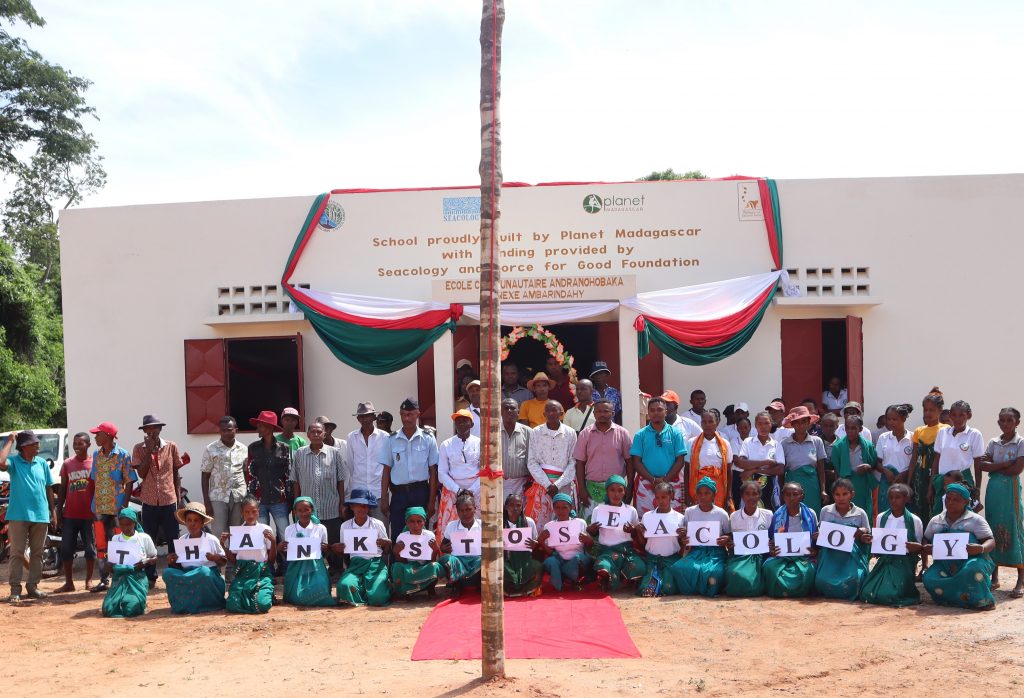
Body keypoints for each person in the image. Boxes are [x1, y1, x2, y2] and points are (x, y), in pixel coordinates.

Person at [1, 431, 56, 603]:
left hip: (40, 515)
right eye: (34, 443)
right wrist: (10, 440)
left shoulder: (42, 464)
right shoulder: (15, 463)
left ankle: (33, 586)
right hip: (18, 515)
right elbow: (0, 462)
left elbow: (49, 489)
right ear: (24, 447)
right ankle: (15, 590)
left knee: (38, 553)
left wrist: (53, 512)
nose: (38, 445)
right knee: (17, 553)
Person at [922, 482, 996, 609]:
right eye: (948, 498)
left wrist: (981, 548)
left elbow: (991, 540)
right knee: (929, 577)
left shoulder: (975, 520)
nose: (950, 502)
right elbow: (926, 538)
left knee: (972, 571)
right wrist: (926, 547)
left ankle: (982, 601)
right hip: (944, 564)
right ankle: (954, 599)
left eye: (956, 500)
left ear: (966, 502)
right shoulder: (936, 520)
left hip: (973, 560)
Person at [132, 414, 185, 586]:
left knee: (173, 539)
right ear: (144, 431)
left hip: (169, 499)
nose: (152, 431)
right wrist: (148, 450)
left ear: (160, 429)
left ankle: (174, 573)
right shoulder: (139, 448)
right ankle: (150, 577)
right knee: (149, 540)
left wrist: (179, 499)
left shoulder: (171, 446)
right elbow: (141, 473)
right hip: (148, 501)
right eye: (148, 428)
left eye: (155, 428)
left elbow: (176, 474)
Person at [380, 398, 439, 541]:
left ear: (418, 414)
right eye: (403, 414)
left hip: (420, 492)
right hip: (399, 494)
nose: (406, 418)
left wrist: (431, 501)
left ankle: (421, 563)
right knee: (398, 534)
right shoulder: (391, 439)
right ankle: (397, 564)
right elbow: (386, 471)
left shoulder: (428, 438)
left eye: (410, 414)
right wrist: (384, 498)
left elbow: (433, 472)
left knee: (421, 534)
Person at [293, 422, 347, 575]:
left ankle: (336, 570)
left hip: (330, 506)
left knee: (333, 540)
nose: (316, 434)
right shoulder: (299, 453)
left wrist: (341, 503)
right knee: (308, 540)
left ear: (324, 434)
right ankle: (311, 570)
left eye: (319, 432)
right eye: (313, 432)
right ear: (308, 435)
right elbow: (295, 480)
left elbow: (341, 480)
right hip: (306, 510)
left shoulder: (335, 453)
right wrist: (296, 504)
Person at [88, 421, 136, 592]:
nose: (95, 437)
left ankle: (121, 577)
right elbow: (94, 481)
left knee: (119, 544)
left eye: (98, 434)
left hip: (117, 508)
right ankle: (103, 579)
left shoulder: (123, 455)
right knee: (101, 545)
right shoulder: (96, 455)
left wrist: (124, 505)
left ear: (107, 436)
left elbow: (129, 481)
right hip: (99, 508)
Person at [980, 407, 1024, 597]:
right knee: (992, 528)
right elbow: (982, 465)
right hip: (994, 490)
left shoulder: (1021, 442)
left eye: (1009, 420)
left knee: (1014, 527)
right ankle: (994, 577)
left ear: (1017, 423)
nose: (1005, 423)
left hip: (1010, 489)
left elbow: (1017, 469)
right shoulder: (993, 442)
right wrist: (1005, 464)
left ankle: (1020, 580)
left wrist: (995, 467)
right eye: (1002, 420)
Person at [860, 483, 924, 607]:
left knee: (891, 593)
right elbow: (879, 544)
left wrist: (914, 547)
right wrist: (871, 541)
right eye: (891, 497)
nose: (893, 500)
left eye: (898, 497)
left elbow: (919, 546)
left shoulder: (914, 520)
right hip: (884, 561)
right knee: (867, 591)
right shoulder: (881, 518)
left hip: (904, 563)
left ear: (906, 499)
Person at [245, 410, 292, 575]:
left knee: (283, 533)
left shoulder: (284, 448)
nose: (258, 427)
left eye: (260, 425)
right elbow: (250, 475)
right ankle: (266, 566)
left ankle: (286, 566)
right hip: (259, 500)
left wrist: (290, 499)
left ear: (269, 428)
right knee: (262, 535)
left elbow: (288, 475)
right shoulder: (253, 448)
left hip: (280, 499)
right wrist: (251, 498)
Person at [200, 416, 248, 574]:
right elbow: (205, 475)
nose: (227, 433)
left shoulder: (243, 448)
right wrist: (207, 502)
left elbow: (246, 473)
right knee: (219, 533)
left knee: (236, 532)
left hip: (239, 495)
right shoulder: (211, 449)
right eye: (223, 430)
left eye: (230, 429)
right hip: (218, 496)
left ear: (236, 430)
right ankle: (218, 569)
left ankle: (232, 568)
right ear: (219, 431)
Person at [671, 476, 731, 597]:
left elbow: (728, 534)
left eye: (707, 493)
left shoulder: (721, 513)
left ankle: (710, 589)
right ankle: (694, 589)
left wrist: (726, 539)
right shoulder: (689, 511)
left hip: (716, 553)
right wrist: (683, 537)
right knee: (679, 568)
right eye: (700, 493)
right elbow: (685, 534)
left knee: (715, 572)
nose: (703, 497)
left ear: (714, 495)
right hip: (696, 551)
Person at [162, 502, 227, 614]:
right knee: (168, 572)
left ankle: (210, 604)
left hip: (207, 575)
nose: (192, 524)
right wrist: (172, 562)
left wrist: (215, 558)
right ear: (185, 522)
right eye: (189, 520)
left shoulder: (211, 539)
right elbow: (180, 565)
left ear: (202, 523)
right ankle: (182, 605)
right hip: (187, 574)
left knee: (203, 571)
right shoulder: (182, 540)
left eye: (196, 520)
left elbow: (223, 562)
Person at [574, 399, 632, 521]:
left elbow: (630, 463)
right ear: (594, 414)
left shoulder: (623, 433)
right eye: (598, 411)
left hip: (616, 490)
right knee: (592, 525)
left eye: (606, 411)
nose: (602, 414)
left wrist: (630, 487)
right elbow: (580, 463)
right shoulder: (585, 434)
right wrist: (582, 489)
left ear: (613, 413)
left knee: (616, 525)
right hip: (591, 490)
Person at [814, 478, 871, 600]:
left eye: (845, 494)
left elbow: (867, 537)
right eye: (837, 494)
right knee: (821, 580)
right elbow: (821, 534)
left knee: (856, 579)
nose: (841, 498)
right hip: (830, 557)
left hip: (852, 558)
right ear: (833, 495)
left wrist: (863, 535)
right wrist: (818, 536)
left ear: (852, 494)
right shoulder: (825, 511)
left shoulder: (860, 513)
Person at [630, 396, 688, 515]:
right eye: (652, 410)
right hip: (646, 484)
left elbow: (680, 461)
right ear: (648, 413)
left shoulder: (676, 433)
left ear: (666, 412)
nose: (656, 413)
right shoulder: (640, 435)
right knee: (645, 521)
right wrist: (653, 480)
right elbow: (636, 462)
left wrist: (665, 481)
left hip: (672, 483)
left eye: (659, 409)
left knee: (673, 521)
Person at [524, 399, 577, 527]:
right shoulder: (536, 432)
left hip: (563, 485)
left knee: (563, 522)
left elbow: (573, 461)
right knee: (541, 523)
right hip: (542, 485)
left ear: (561, 413)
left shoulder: (570, 433)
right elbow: (531, 462)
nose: (551, 413)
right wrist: (548, 484)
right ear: (544, 414)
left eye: (554, 410)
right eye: (548, 410)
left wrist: (557, 485)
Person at [587, 475, 644, 591]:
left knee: (640, 567)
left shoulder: (630, 510)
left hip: (626, 551)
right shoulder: (598, 510)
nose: (616, 494)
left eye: (620, 490)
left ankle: (624, 577)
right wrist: (592, 530)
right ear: (607, 491)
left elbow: (636, 535)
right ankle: (609, 578)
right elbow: (594, 534)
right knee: (602, 566)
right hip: (607, 551)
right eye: (612, 490)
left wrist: (633, 531)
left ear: (624, 492)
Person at [55, 432, 96, 593]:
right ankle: (69, 583)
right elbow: (63, 488)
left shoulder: (94, 464)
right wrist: (59, 511)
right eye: (75, 443)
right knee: (66, 549)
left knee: (90, 549)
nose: (77, 446)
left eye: (81, 443)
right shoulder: (67, 464)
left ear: (88, 445)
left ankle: (89, 581)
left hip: (89, 515)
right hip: (70, 514)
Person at [222, 494, 276, 614]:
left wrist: (273, 542)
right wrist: (223, 546)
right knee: (232, 604)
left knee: (262, 604)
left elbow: (271, 561)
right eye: (247, 512)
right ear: (242, 512)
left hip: (261, 574)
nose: (250, 515)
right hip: (243, 575)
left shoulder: (265, 529)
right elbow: (234, 561)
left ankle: (268, 593)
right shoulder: (237, 532)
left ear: (258, 511)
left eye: (253, 511)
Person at [763, 482, 818, 598]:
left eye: (795, 494)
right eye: (788, 495)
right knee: (769, 568)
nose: (791, 498)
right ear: (783, 497)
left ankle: (802, 592)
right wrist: (772, 549)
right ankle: (779, 591)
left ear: (802, 496)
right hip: (781, 557)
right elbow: (771, 539)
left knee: (809, 571)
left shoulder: (810, 514)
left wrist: (814, 550)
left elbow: (816, 538)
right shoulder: (777, 514)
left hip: (804, 556)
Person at [930, 400, 984, 517]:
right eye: (954, 415)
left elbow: (978, 464)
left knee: (963, 516)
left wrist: (977, 489)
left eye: (961, 415)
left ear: (969, 415)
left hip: (963, 480)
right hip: (942, 482)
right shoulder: (943, 432)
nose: (957, 419)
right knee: (939, 515)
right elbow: (936, 459)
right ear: (950, 415)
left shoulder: (974, 434)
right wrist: (931, 485)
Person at [335, 492, 391, 606]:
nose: (361, 508)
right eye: (358, 505)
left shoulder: (377, 524)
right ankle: (364, 587)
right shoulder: (345, 526)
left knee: (378, 598)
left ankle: (382, 587)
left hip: (375, 564)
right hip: (356, 565)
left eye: (365, 505)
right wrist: (338, 549)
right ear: (352, 507)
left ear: (368, 508)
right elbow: (345, 553)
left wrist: (387, 544)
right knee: (345, 586)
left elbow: (386, 551)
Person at [101, 508, 157, 618]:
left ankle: (140, 602)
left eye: (129, 524)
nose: (125, 528)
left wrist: (145, 563)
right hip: (119, 578)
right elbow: (111, 562)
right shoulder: (115, 539)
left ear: (134, 523)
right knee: (108, 609)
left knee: (131, 608)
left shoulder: (143, 538)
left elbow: (154, 557)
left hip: (137, 578)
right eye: (122, 525)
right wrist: (109, 566)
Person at [435, 409, 481, 538]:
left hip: (477, 491)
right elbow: (442, 473)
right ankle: (450, 556)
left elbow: (484, 472)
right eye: (458, 421)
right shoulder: (446, 444)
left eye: (465, 421)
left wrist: (471, 490)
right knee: (451, 528)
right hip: (452, 490)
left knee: (477, 528)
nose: (461, 423)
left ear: (471, 424)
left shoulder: (480, 443)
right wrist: (458, 490)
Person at [634, 482, 685, 597]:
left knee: (669, 587)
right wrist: (639, 532)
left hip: (671, 559)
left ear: (671, 496)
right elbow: (644, 544)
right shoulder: (648, 516)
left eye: (664, 497)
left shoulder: (680, 518)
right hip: (652, 559)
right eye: (657, 497)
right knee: (645, 588)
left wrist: (683, 536)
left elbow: (682, 546)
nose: (660, 501)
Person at [281, 496, 333, 606]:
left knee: (320, 589)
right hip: (296, 566)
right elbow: (287, 555)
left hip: (316, 566)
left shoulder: (320, 528)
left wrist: (326, 548)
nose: (303, 513)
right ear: (294, 512)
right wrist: (280, 548)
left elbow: (325, 554)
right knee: (296, 595)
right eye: (299, 510)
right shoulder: (289, 529)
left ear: (312, 510)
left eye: (306, 510)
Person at [725, 480, 774, 597]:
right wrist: (731, 543)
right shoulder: (734, 516)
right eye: (747, 494)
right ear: (742, 496)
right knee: (734, 573)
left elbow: (773, 537)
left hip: (762, 556)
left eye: (754, 494)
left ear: (759, 495)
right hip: (741, 557)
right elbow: (732, 539)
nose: (751, 497)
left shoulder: (768, 515)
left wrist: (771, 544)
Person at [906, 387, 948, 517]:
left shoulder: (945, 430)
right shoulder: (919, 431)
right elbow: (914, 458)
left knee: (934, 507)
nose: (928, 413)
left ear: (940, 411)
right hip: (920, 475)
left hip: (935, 474)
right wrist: (909, 482)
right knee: (919, 507)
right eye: (925, 410)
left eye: (932, 410)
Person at [345, 402, 389, 523]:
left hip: (379, 493)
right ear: (358, 418)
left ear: (374, 417)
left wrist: (385, 497)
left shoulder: (384, 437)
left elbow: (387, 466)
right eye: (361, 416)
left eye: (368, 416)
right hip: (359, 493)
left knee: (381, 531)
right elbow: (350, 464)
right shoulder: (351, 437)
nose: (364, 419)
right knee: (361, 529)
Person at [779, 406, 828, 515]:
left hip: (812, 485)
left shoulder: (817, 441)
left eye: (803, 421)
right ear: (792, 424)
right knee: (792, 514)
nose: (800, 425)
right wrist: (783, 492)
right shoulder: (784, 444)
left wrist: (822, 490)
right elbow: (781, 472)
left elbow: (821, 469)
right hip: (791, 485)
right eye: (797, 422)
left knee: (812, 514)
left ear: (809, 422)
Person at [539, 493, 593, 591]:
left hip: (577, 560)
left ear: (571, 508)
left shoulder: (580, 523)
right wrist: (541, 542)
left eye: (564, 507)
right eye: (557, 508)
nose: (560, 511)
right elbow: (550, 552)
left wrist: (589, 540)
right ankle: (560, 585)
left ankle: (572, 579)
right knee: (550, 562)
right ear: (553, 509)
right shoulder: (549, 526)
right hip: (559, 560)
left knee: (578, 559)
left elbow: (588, 547)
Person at [830, 415, 879, 522]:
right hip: (845, 483)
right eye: (847, 428)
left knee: (864, 511)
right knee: (845, 511)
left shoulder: (868, 445)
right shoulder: (838, 446)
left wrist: (868, 467)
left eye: (854, 428)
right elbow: (837, 469)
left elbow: (874, 464)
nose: (850, 431)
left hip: (863, 483)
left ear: (860, 429)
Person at [735, 410, 784, 511]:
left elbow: (780, 470)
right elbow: (741, 463)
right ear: (755, 425)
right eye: (760, 424)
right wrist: (766, 462)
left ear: (771, 424)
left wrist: (754, 470)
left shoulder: (776, 445)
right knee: (748, 513)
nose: (763, 426)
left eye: (766, 423)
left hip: (770, 486)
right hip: (750, 486)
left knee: (770, 513)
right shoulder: (748, 442)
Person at [391, 507, 443, 600]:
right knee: (397, 566)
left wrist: (435, 550)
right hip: (409, 567)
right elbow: (402, 561)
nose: (415, 525)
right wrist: (396, 552)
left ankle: (429, 588)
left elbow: (431, 560)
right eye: (411, 521)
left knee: (435, 566)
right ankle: (405, 591)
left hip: (424, 567)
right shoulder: (402, 537)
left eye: (419, 521)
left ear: (424, 522)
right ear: (406, 522)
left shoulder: (429, 535)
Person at [686, 412, 734, 512]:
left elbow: (729, 471)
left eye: (711, 421)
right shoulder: (692, 443)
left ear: (717, 423)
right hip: (698, 487)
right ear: (701, 423)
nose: (707, 425)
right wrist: (687, 494)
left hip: (719, 487)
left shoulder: (725, 444)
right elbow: (687, 469)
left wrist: (729, 495)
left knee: (717, 514)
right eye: (704, 422)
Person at [438, 490, 482, 597]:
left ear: (475, 509)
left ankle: (482, 585)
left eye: (468, 509)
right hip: (460, 561)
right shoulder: (452, 526)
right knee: (447, 559)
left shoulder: (483, 525)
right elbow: (443, 546)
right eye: (461, 510)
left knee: (487, 559)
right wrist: (444, 548)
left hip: (477, 561)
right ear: (457, 511)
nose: (465, 513)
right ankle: (455, 584)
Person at [502, 493, 543, 597]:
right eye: (511, 505)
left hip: (524, 560)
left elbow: (535, 543)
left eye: (518, 505)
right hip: (506, 560)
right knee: (499, 567)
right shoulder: (500, 523)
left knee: (538, 566)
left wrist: (535, 545)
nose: (515, 508)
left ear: (522, 507)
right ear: (506, 507)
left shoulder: (529, 522)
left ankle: (528, 589)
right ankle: (507, 590)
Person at [876, 404, 915, 487]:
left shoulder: (913, 438)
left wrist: (905, 474)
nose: (891, 422)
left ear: (904, 419)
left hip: (906, 482)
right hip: (887, 482)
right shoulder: (883, 437)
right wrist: (886, 471)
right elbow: (877, 463)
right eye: (888, 419)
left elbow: (916, 463)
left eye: (894, 419)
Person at [500, 398, 532, 497]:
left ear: (518, 412)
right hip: (498, 483)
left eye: (512, 408)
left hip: (522, 483)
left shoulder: (528, 432)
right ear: (500, 412)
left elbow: (532, 460)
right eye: (506, 408)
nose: (509, 411)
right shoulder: (492, 432)